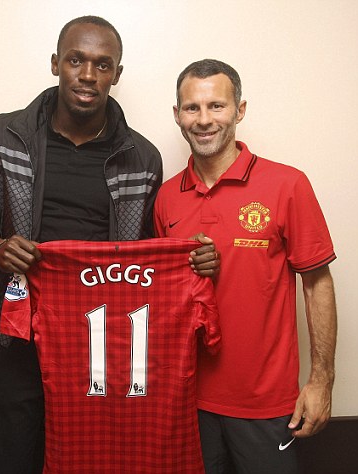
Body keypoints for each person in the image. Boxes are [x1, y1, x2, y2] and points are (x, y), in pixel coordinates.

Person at [0, 16, 219, 474]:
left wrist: (191, 258)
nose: (87, 75)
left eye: (102, 65)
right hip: (18, 331)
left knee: (92, 456)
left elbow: (151, 253)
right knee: (9, 454)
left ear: (116, 74)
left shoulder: (142, 157)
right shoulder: (4, 135)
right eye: (75, 60)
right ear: (55, 63)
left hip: (102, 339)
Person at [154, 58, 337, 474]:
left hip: (265, 404)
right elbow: (165, 296)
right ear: (177, 115)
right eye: (192, 108)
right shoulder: (166, 197)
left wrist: (321, 381)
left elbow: (317, 284)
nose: (204, 119)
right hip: (187, 401)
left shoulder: (287, 184)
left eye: (216, 106)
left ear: (239, 110)